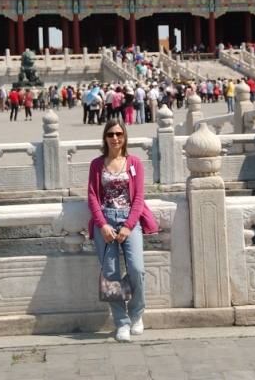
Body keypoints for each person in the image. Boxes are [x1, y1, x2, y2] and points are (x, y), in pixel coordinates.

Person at [87, 119, 158, 342]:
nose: (115, 138)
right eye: (110, 134)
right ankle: (122, 322)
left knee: (137, 268)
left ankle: (136, 314)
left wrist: (128, 225)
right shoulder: (97, 164)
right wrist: (102, 224)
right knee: (110, 273)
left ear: (124, 136)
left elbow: (138, 197)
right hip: (106, 221)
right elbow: (91, 196)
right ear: (105, 138)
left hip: (129, 219)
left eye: (119, 134)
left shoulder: (134, 162)